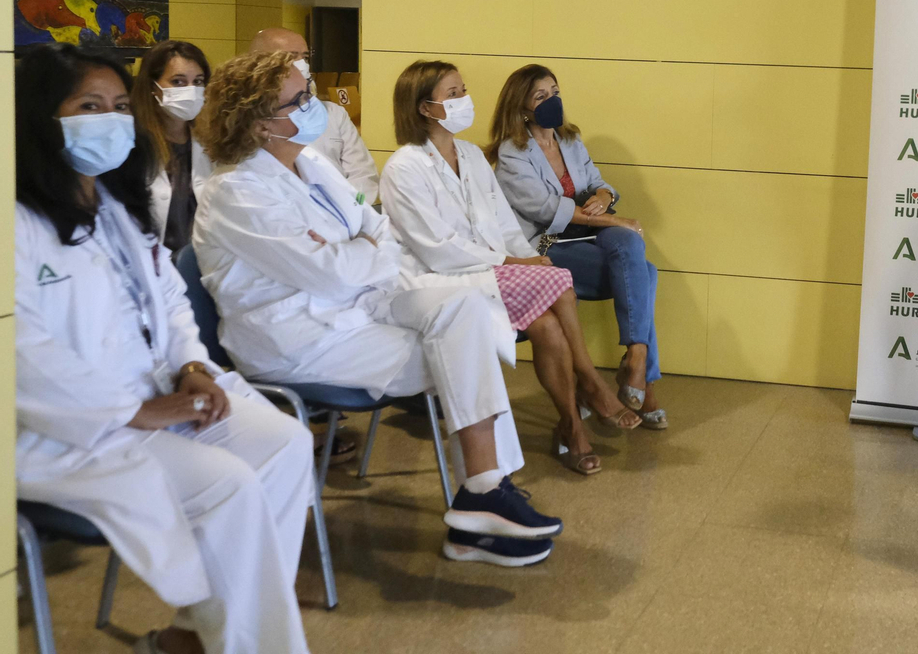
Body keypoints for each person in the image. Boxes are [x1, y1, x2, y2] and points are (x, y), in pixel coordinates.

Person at [191, 50, 561, 567]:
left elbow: (377, 234)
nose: (313, 104)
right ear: (258, 123)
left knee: (470, 310)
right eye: (298, 100)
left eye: (309, 90)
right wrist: (355, 250)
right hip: (299, 340)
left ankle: (485, 493)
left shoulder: (310, 163)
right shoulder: (236, 194)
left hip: (359, 306)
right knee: (462, 348)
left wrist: (352, 247)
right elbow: (332, 271)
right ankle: (483, 501)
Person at [14, 43, 315, 654]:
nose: (110, 118)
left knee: (286, 444)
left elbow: (172, 302)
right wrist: (135, 412)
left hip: (162, 390)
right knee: (228, 486)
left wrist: (192, 365)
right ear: (41, 118)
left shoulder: (117, 208)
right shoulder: (16, 223)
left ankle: (199, 633)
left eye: (120, 105)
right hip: (72, 427)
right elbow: (21, 351)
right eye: (88, 105)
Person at [380, 60, 642, 475]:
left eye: (462, 90)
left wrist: (526, 256)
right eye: (453, 94)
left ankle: (573, 427)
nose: (464, 100)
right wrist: (515, 261)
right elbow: (436, 248)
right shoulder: (404, 168)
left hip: (495, 268)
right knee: (557, 281)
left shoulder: (469, 155)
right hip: (444, 278)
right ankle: (590, 383)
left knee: (548, 325)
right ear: (424, 108)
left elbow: (501, 220)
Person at [489, 64, 667, 429]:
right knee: (644, 274)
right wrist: (614, 218)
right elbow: (546, 209)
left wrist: (604, 197)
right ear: (522, 107)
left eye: (554, 91)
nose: (552, 101)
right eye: (540, 96)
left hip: (587, 234)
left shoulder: (569, 139)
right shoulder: (512, 153)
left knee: (630, 245)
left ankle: (635, 356)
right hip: (546, 245)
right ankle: (644, 381)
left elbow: (601, 183)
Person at [248, 27, 379, 204]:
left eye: (305, 57)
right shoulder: (247, 120)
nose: (302, 64)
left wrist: (351, 210)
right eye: (291, 57)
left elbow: (363, 174)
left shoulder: (332, 113)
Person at [130, 39, 215, 251]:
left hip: (202, 264)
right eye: (178, 82)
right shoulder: (132, 145)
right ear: (153, 87)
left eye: (198, 82)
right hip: (153, 264)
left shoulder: (211, 143)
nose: (190, 90)